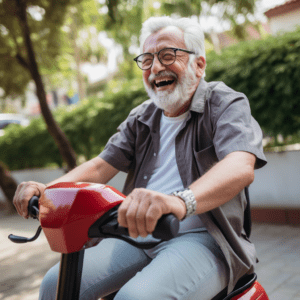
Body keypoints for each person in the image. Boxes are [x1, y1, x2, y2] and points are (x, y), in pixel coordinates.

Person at [13, 16, 267, 300]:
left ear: (199, 64)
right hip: (135, 234)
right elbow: (99, 166)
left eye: (168, 55)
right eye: (147, 60)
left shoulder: (225, 103)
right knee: (53, 284)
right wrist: (47, 190)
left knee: (134, 298)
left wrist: (178, 202)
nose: (156, 67)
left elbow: (240, 165)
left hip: (205, 238)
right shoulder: (142, 116)